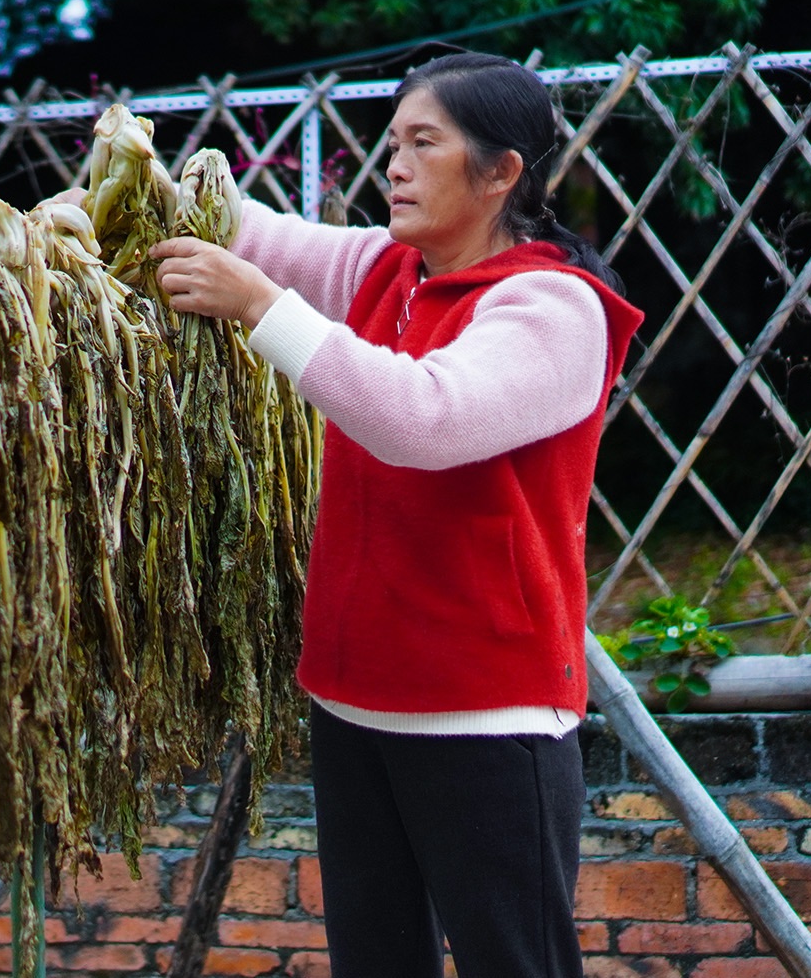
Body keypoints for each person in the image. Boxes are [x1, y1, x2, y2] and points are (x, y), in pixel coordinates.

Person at [146, 52, 645, 978]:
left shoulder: (553, 309)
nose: (397, 166)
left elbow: (424, 419)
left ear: (503, 173)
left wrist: (263, 309)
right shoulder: (391, 271)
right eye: (393, 144)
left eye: (425, 144)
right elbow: (251, 230)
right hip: (354, 702)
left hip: (486, 718)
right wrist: (126, 176)